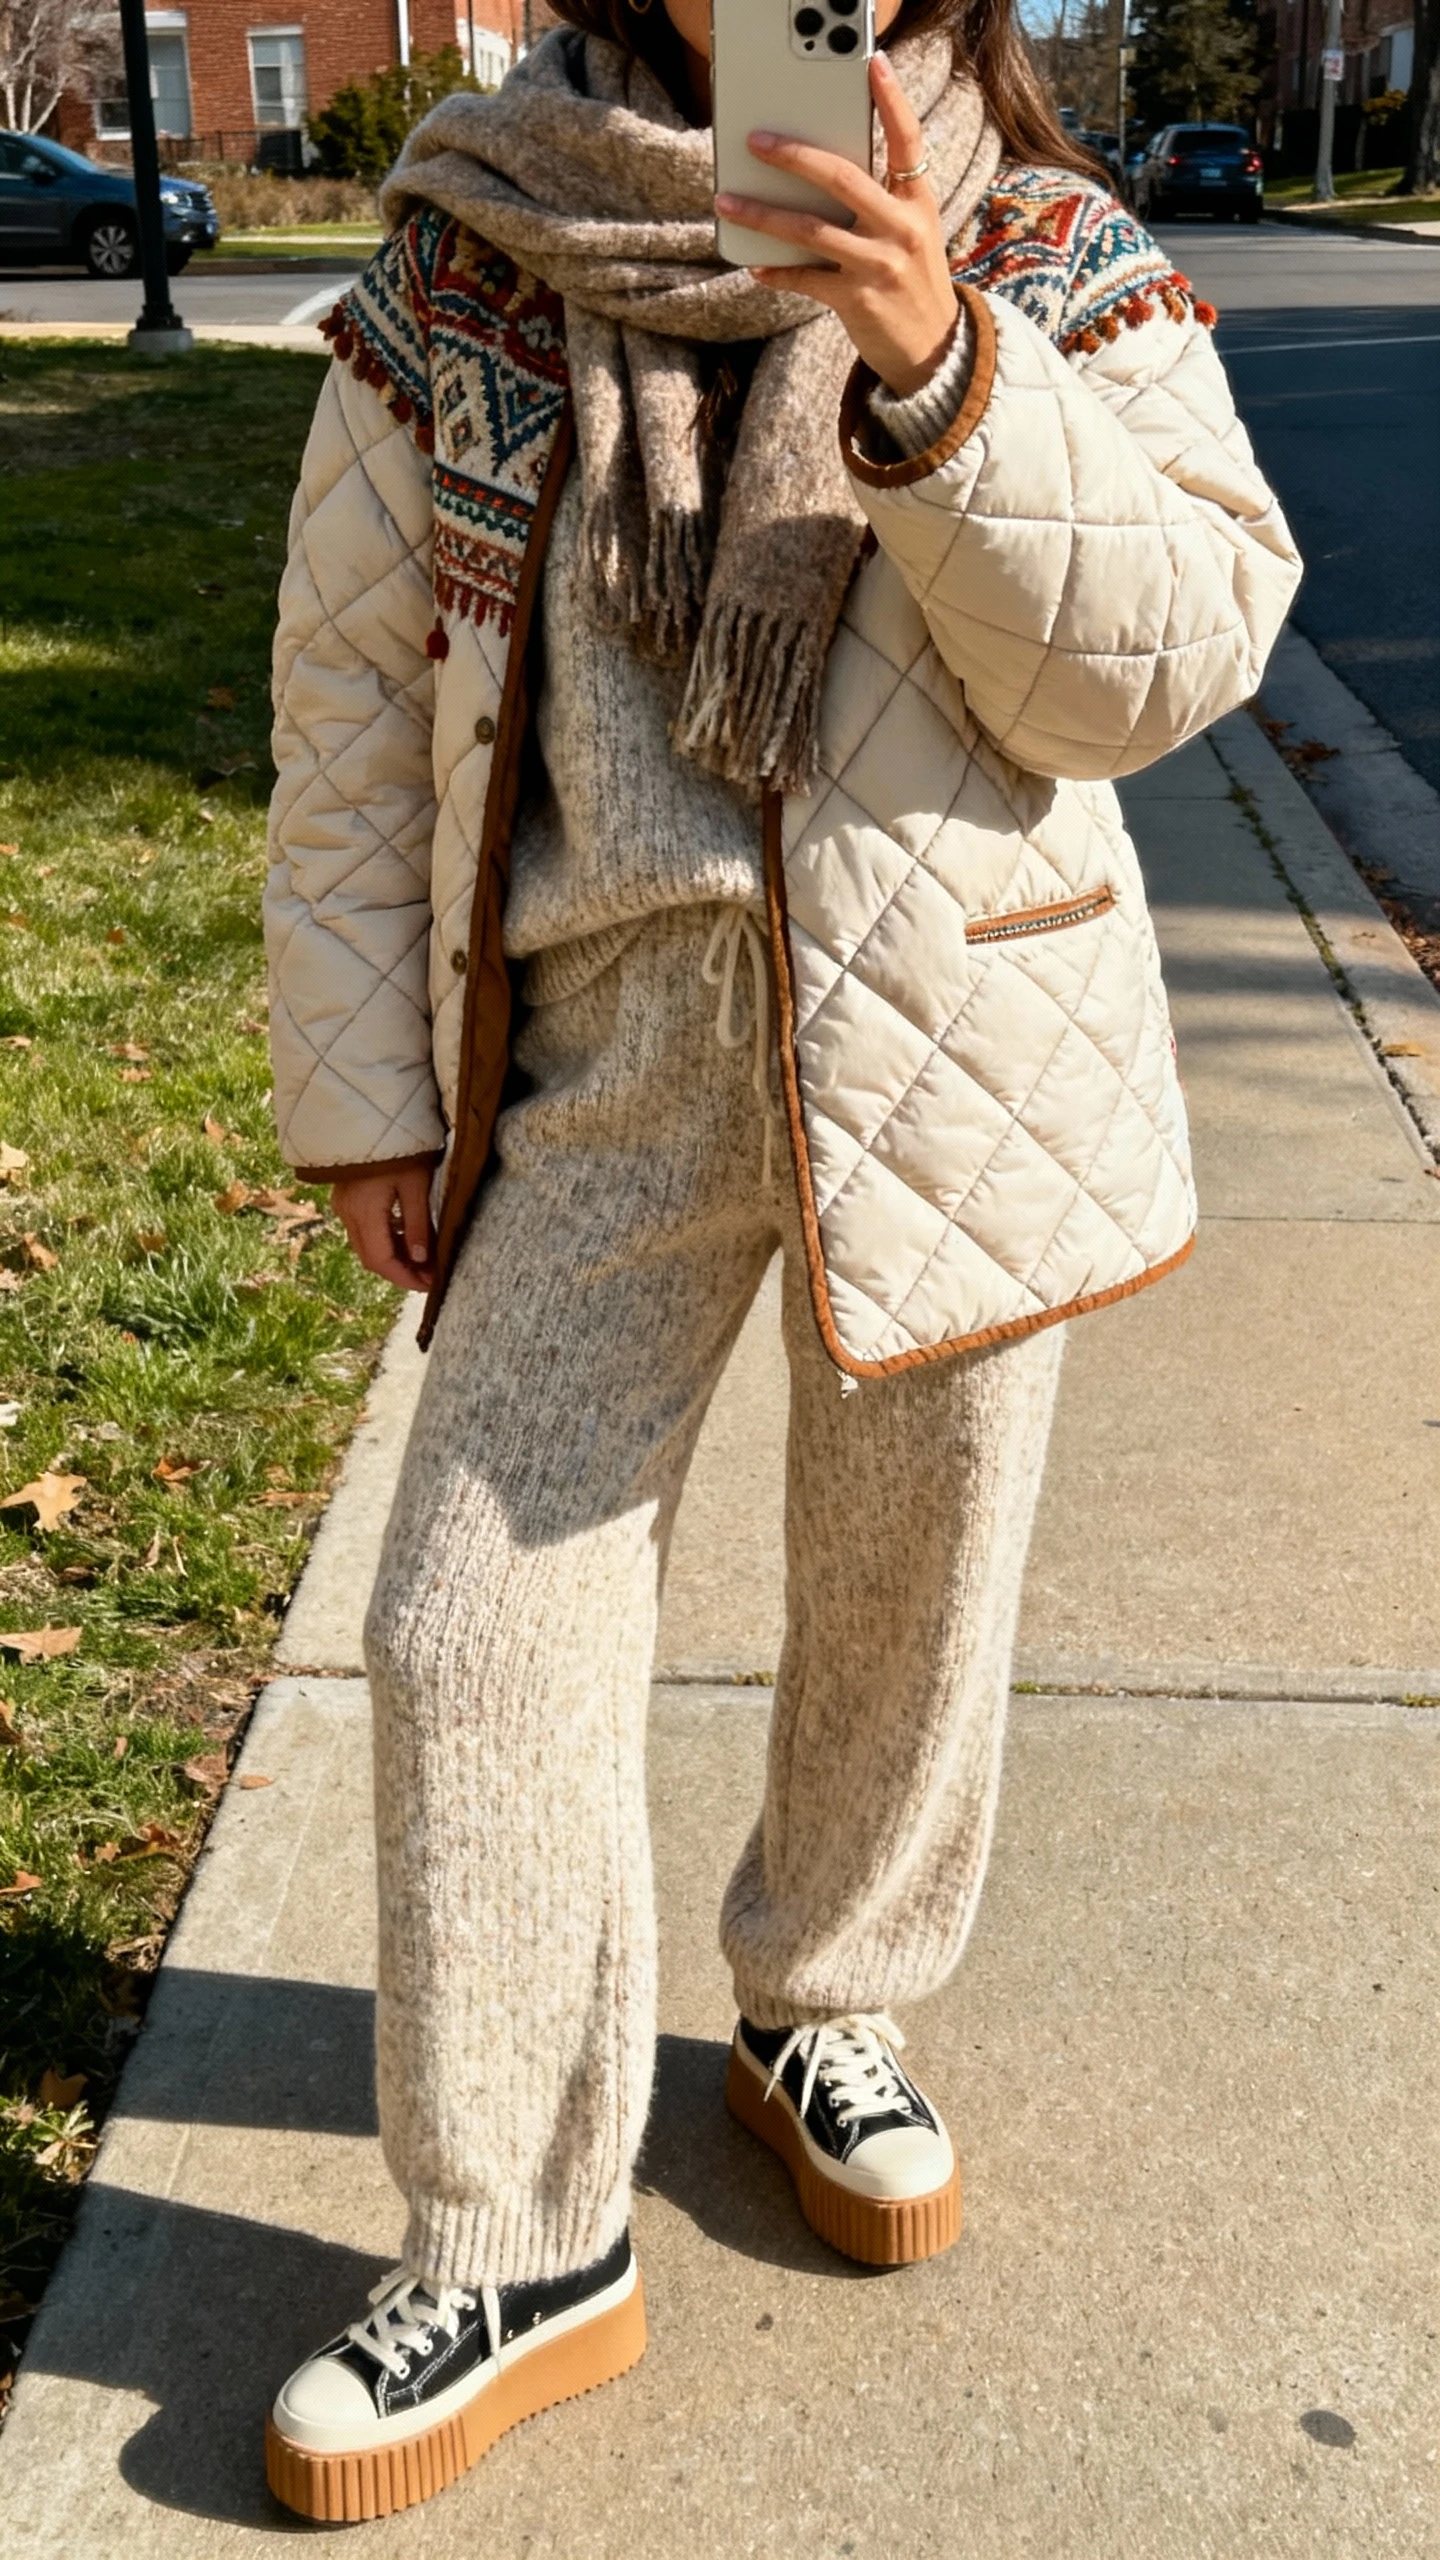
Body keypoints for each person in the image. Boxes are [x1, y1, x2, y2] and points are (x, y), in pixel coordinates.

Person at [259, 0, 1299, 2520]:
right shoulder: (477, 253)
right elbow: (345, 697)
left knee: (912, 1578)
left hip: (962, 1038)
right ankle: (511, 2229)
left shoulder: (1039, 244)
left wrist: (939, 366)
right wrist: (370, 1091)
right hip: (608, 1057)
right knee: (464, 1613)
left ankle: (825, 1997)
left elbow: (1170, 650)